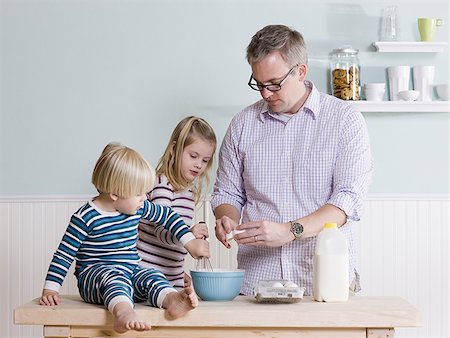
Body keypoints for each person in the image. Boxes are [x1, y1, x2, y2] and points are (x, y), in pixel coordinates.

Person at [211, 24, 373, 296]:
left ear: (300, 71)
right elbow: (227, 193)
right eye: (258, 84)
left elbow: (347, 201)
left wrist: (290, 230)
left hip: (322, 281)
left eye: (274, 84)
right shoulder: (242, 125)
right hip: (256, 284)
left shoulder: (345, 121)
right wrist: (226, 216)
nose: (265, 93)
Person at [39, 143, 209, 334]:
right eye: (138, 193)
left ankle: (171, 299)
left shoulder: (137, 207)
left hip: (129, 271)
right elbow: (63, 255)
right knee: (115, 278)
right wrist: (51, 289)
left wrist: (190, 241)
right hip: (95, 278)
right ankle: (123, 313)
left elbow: (168, 216)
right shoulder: (86, 218)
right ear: (115, 194)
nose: (145, 198)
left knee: (151, 275)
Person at [137, 116, 217, 289]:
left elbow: (172, 248)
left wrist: (179, 275)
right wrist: (189, 234)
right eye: (193, 156)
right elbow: (161, 230)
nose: (198, 165)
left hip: (170, 279)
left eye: (205, 160)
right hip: (146, 277)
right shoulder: (163, 185)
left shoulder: (187, 192)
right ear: (174, 149)